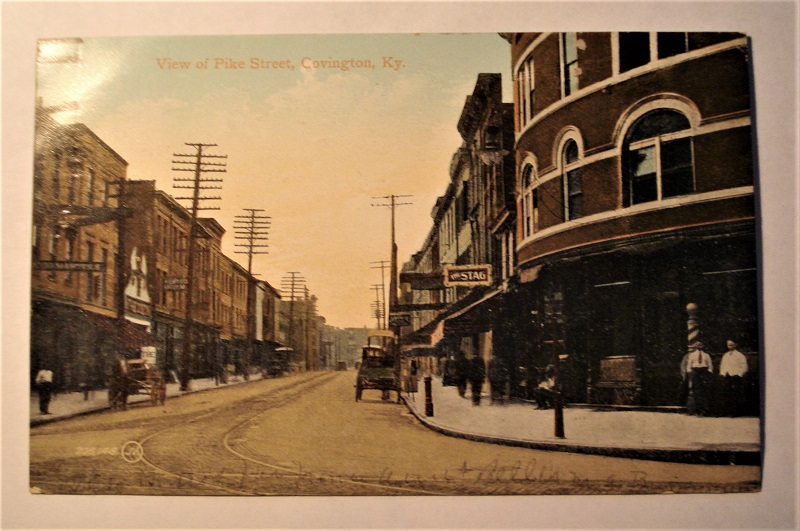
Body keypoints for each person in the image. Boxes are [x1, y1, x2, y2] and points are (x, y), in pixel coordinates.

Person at [719, 339, 748, 416]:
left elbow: (744, 366)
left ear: (735, 345)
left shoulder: (740, 355)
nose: (730, 347)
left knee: (735, 394)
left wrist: (739, 374)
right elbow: (722, 365)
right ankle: (727, 411)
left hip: (736, 377)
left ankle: (735, 412)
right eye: (729, 345)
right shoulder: (725, 355)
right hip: (727, 376)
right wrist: (722, 374)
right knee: (727, 394)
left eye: (732, 345)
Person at [684, 341, 713, 416]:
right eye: (698, 345)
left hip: (703, 372)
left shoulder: (706, 355)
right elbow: (689, 365)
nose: (699, 346)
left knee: (704, 391)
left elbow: (710, 366)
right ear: (695, 346)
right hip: (695, 372)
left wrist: (708, 373)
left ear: (703, 346)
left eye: (701, 345)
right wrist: (691, 373)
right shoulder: (692, 355)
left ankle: (703, 410)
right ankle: (697, 410)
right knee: (696, 391)